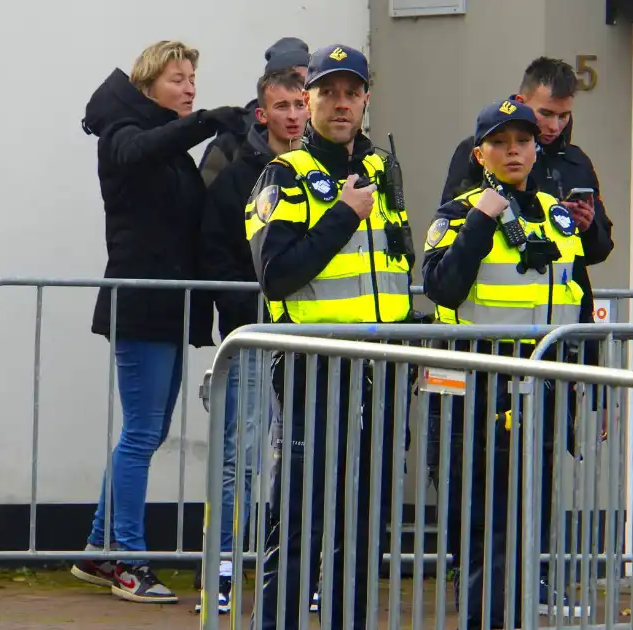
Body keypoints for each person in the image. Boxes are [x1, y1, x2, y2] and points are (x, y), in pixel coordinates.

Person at [245, 44, 414, 630]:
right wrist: (341, 214)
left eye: (352, 92)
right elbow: (276, 274)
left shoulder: (381, 170)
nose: (341, 104)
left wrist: (409, 352)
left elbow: (398, 270)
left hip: (381, 373)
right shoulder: (285, 175)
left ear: (366, 99)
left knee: (364, 527)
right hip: (315, 371)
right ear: (308, 96)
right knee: (299, 520)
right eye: (328, 92)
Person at [71, 39, 246, 603]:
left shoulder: (168, 145)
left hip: (169, 306)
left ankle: (100, 547)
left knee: (144, 431)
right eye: (178, 78)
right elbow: (136, 152)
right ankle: (129, 559)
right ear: (148, 86)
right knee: (143, 432)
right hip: (143, 303)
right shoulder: (122, 133)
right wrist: (206, 123)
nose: (190, 87)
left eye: (194, 77)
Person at [423, 98, 583, 629]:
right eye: (500, 143)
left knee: (527, 527)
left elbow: (576, 298)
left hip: (541, 389)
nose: (512, 151)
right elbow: (441, 287)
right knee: (483, 531)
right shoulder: (454, 213)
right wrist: (480, 221)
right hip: (477, 391)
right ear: (480, 153)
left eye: (522, 141)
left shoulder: (557, 215)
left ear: (537, 149)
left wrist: (587, 391)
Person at [195, 67, 309, 614]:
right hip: (251, 339)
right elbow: (214, 252)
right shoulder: (238, 180)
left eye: (298, 105)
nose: (292, 115)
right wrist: (244, 315)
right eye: (281, 106)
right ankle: (220, 569)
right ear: (262, 114)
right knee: (238, 458)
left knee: (306, 458)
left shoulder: (327, 175)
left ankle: (299, 570)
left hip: (313, 341)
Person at [440, 57, 613, 332]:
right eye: (546, 113)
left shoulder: (576, 162)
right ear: (522, 100)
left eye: (564, 116)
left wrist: (586, 227)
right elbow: (452, 238)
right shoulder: (482, 152)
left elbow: (600, 249)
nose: (555, 126)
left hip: (564, 331)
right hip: (494, 335)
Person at [199, 37, 310, 187]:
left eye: (309, 82)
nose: (303, 89)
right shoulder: (231, 145)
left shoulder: (325, 148)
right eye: (292, 80)